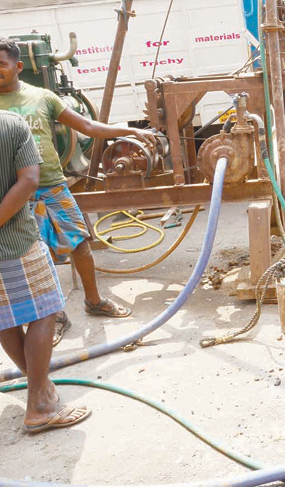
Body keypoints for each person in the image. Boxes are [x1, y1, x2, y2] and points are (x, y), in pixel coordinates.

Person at [0, 38, 157, 345]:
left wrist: (130, 130)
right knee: (39, 258)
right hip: (14, 193)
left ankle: (94, 301)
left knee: (80, 246)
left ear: (18, 67)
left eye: (1, 65)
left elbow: (88, 126)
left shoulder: (43, 98)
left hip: (53, 186)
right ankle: (55, 316)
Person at [0, 110, 91, 433]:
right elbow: (29, 180)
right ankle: (38, 405)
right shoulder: (10, 124)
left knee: (5, 316)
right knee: (46, 308)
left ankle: (39, 386)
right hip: (15, 241)